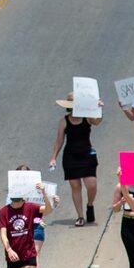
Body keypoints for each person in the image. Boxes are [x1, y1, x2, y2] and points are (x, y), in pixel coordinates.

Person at [49, 95, 101, 225]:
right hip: (71, 157)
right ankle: (80, 216)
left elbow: (97, 121)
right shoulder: (64, 121)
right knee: (75, 186)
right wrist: (53, 157)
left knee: (91, 184)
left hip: (87, 155)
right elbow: (59, 140)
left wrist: (98, 109)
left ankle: (90, 204)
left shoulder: (87, 118)